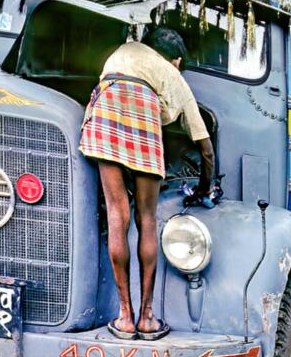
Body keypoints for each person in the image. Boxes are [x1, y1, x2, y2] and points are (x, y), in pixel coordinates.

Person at [79, 26, 215, 340]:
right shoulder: (173, 75)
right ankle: (147, 317)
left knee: (117, 215)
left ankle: (124, 317)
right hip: (143, 116)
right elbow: (205, 149)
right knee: (147, 220)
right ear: (177, 60)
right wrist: (205, 188)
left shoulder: (123, 51)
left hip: (106, 110)